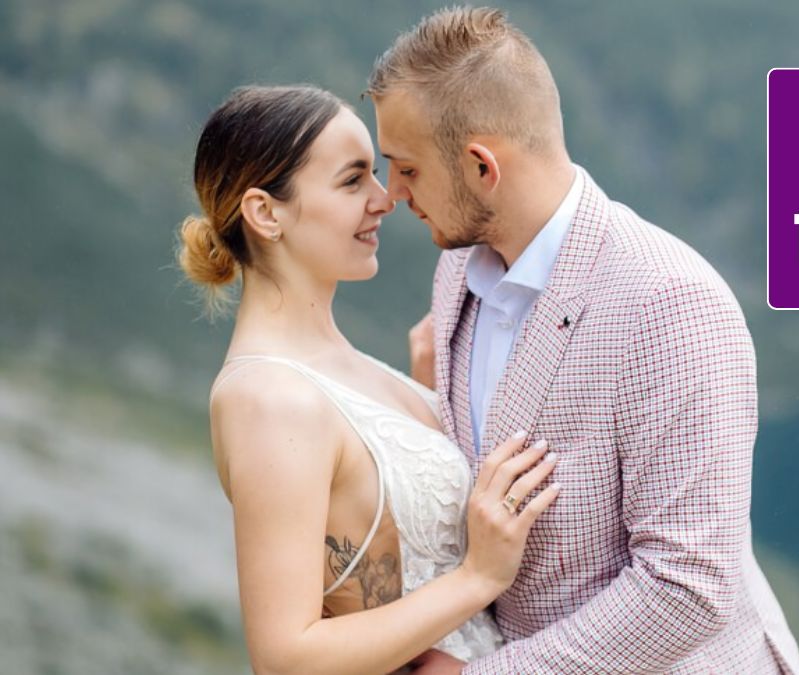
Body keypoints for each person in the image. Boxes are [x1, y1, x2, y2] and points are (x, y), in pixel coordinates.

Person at [369, 7, 799, 674]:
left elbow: (687, 587)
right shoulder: (456, 265)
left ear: (482, 166)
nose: (393, 192)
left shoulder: (673, 305)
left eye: (407, 168)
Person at [177, 84, 559, 674]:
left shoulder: (350, 369)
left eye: (377, 176)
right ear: (265, 212)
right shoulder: (267, 399)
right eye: (353, 180)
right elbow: (286, 659)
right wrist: (478, 577)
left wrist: (432, 392)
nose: (385, 199)